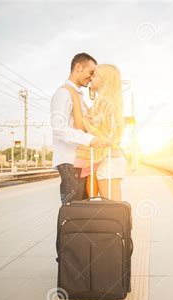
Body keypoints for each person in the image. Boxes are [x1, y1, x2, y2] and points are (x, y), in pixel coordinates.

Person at [51, 52, 105, 204]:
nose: (92, 77)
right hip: (70, 161)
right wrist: (90, 139)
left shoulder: (77, 95)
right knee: (73, 209)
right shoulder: (63, 93)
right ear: (78, 67)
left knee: (80, 210)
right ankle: (68, 228)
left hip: (78, 160)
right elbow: (59, 129)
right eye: (91, 72)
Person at [68, 64, 127, 201]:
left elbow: (83, 126)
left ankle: (120, 223)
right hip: (112, 158)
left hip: (109, 159)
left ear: (104, 80)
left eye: (94, 76)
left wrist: (75, 99)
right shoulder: (111, 102)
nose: (91, 78)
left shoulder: (103, 102)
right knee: (114, 205)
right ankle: (121, 222)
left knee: (112, 207)